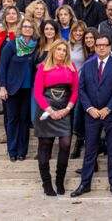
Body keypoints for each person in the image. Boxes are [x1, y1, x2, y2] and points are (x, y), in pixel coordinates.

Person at [71, 34, 112, 197]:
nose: (101, 47)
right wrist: (90, 108)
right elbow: (81, 89)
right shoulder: (88, 67)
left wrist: (107, 108)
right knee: (90, 150)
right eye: (98, 45)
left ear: (109, 47)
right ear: (94, 47)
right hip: (92, 115)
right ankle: (85, 183)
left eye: (104, 45)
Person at [34, 39, 79, 196]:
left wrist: (67, 109)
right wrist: (50, 110)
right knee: (45, 145)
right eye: (59, 49)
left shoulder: (71, 67)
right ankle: (46, 183)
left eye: (64, 50)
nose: (62, 52)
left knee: (66, 144)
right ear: (53, 50)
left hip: (65, 110)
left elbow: (75, 91)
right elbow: (37, 93)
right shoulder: (43, 68)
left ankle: (60, 181)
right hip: (46, 111)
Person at [0, 19, 40, 161]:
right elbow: (2, 67)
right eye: (25, 26)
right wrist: (2, 87)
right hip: (12, 88)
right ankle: (12, 150)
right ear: (20, 28)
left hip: (29, 88)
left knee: (24, 120)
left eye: (30, 27)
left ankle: (23, 151)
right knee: (12, 119)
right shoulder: (12, 45)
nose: (27, 29)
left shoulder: (36, 47)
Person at [70, 26, 96, 161]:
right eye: (87, 38)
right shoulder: (87, 53)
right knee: (78, 121)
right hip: (82, 90)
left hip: (94, 94)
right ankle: (80, 142)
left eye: (91, 37)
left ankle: (92, 151)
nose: (89, 40)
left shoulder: (99, 53)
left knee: (84, 123)